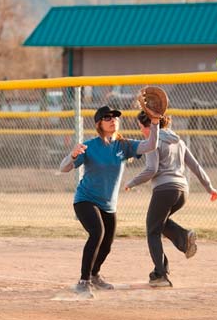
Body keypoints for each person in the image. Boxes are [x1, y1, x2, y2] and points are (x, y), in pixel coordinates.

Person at [59, 105, 160, 298]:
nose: (113, 119)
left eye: (115, 117)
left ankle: (95, 274)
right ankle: (83, 281)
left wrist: (154, 123)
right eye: (107, 118)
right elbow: (64, 168)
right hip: (85, 199)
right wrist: (72, 154)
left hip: (108, 204)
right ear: (99, 124)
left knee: (107, 244)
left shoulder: (123, 145)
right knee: (97, 232)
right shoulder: (90, 146)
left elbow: (150, 145)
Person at [124, 111, 217, 287]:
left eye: (140, 127)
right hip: (182, 191)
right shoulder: (179, 141)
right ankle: (182, 240)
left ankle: (161, 274)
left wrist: (132, 182)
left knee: (152, 230)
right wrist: (209, 187)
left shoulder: (153, 140)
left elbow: (151, 170)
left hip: (164, 190)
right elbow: (195, 166)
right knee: (159, 224)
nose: (141, 131)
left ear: (149, 125)